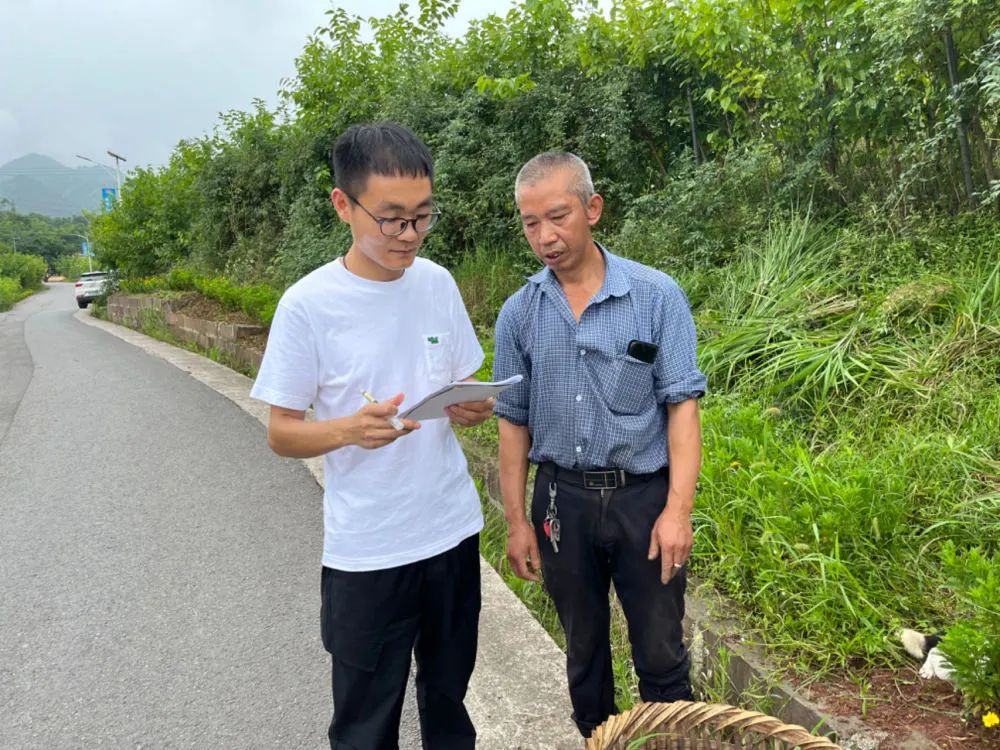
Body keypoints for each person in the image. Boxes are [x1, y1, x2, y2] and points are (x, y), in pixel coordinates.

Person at [250, 122, 494, 750]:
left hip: (450, 530)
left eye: (422, 216)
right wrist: (348, 431)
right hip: (368, 550)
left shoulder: (437, 283)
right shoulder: (308, 305)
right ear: (343, 204)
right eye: (390, 218)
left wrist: (471, 404)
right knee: (364, 724)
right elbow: (281, 433)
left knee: (449, 701)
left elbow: (462, 379)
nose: (408, 234)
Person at [493, 151, 706, 738]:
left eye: (558, 217)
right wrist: (517, 522)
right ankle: (597, 738)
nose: (545, 236)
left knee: (661, 649)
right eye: (530, 223)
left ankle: (669, 739)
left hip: (643, 499)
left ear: (592, 209)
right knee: (583, 651)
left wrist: (677, 510)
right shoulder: (519, 314)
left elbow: (682, 407)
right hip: (561, 502)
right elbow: (512, 423)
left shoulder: (656, 296)